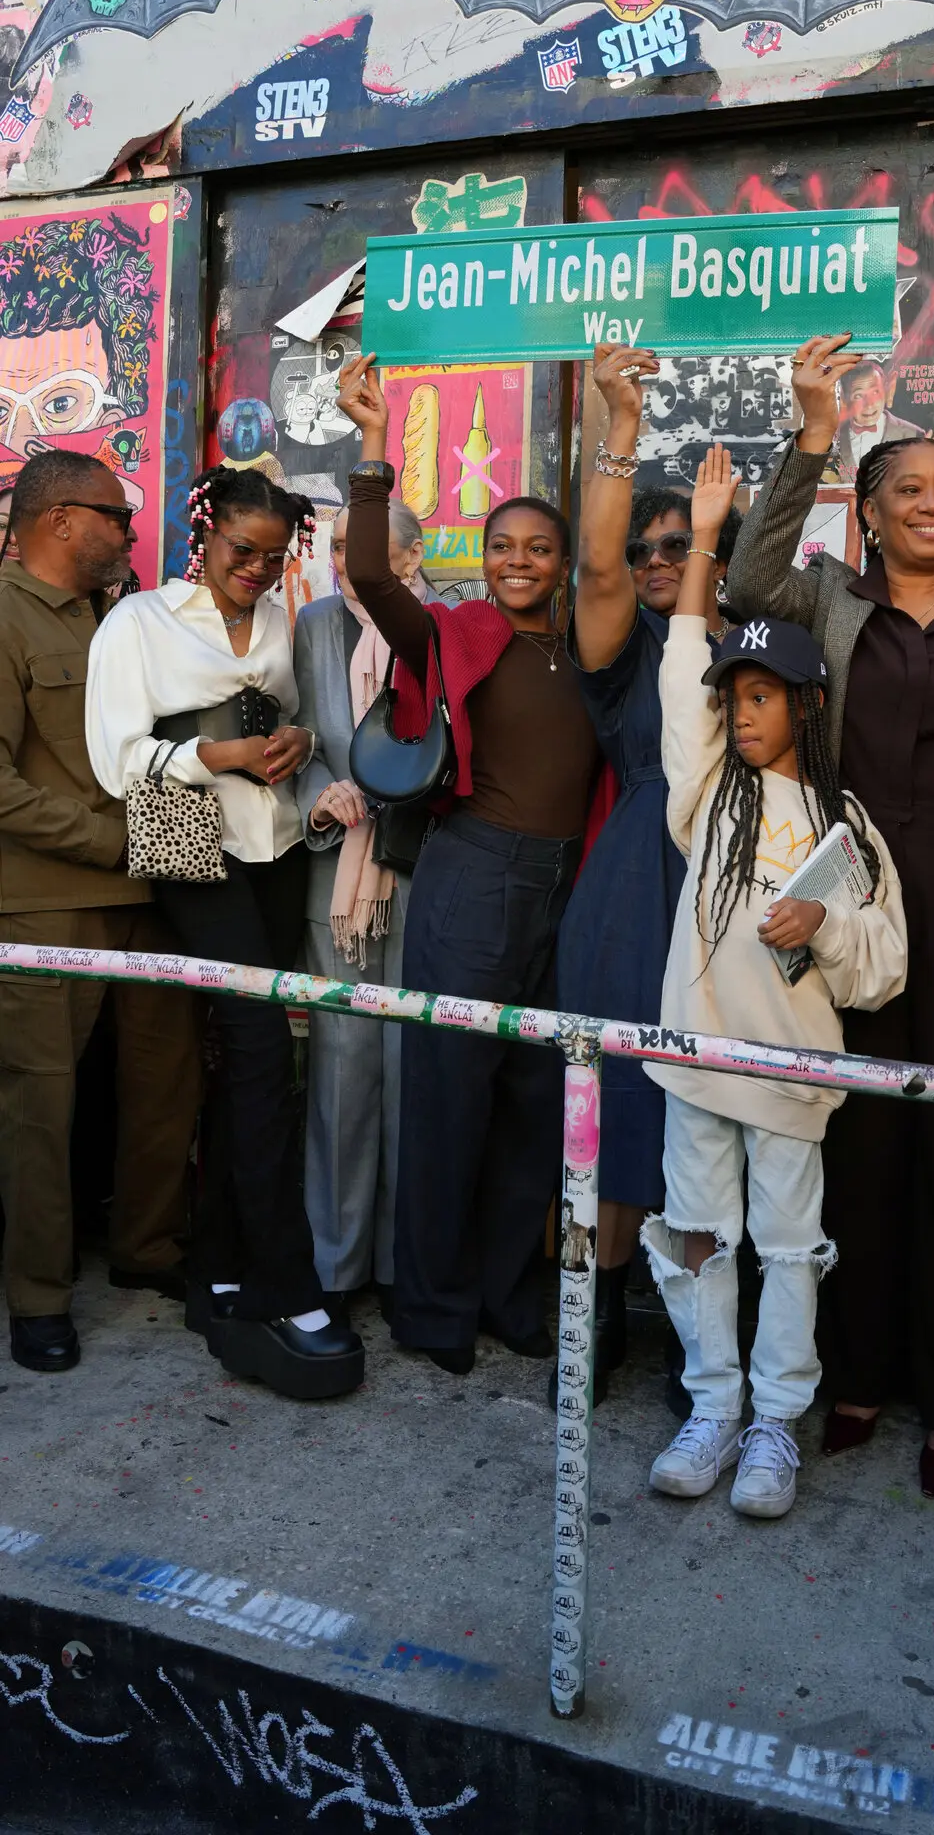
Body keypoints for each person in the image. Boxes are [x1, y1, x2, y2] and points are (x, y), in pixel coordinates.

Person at [725, 333, 934, 1495]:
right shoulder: (827, 600)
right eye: (908, 489)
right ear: (866, 512)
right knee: (858, 1147)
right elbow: (743, 584)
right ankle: (857, 1371)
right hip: (848, 915)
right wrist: (813, 435)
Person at [643, 447, 907, 1519]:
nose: (740, 712)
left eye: (761, 695)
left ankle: (773, 1425)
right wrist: (703, 539)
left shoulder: (845, 828)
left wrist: (827, 921)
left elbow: (884, 969)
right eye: (733, 695)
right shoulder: (704, 794)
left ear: (804, 701)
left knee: (790, 1249)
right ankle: (710, 1405)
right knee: (698, 1238)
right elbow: (678, 673)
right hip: (697, 1062)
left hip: (795, 1078)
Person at [335, 353, 601, 1376]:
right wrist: (372, 447)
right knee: (450, 1096)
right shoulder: (451, 630)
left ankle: (505, 1294)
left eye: (539, 547)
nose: (519, 559)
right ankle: (432, 1308)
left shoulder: (587, 646)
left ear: (566, 561)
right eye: (502, 545)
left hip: (563, 887)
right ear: (482, 558)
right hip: (475, 877)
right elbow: (366, 572)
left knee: (537, 1104)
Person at [86, 462, 364, 1401]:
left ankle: (223, 1268)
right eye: (241, 549)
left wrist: (292, 745)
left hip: (276, 843)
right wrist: (218, 753)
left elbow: (294, 730)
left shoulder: (286, 622)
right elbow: (118, 757)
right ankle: (286, 1284)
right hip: (188, 843)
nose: (254, 568)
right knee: (254, 1053)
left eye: (273, 556)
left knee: (257, 1056)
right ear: (203, 534)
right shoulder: (140, 623)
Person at [556, 344, 739, 1389]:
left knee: (706, 1107)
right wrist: (619, 431)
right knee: (619, 1100)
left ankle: (696, 1330)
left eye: (682, 542)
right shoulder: (619, 647)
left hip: (726, 888)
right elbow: (594, 567)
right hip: (631, 888)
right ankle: (602, 1317)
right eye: (650, 546)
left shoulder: (752, 640)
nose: (661, 557)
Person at [0, 449, 199, 1374]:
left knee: (166, 1086)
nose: (129, 532)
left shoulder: (121, 620)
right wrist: (115, 843)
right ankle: (39, 1298)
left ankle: (146, 1251)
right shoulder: (4, 615)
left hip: (154, 890)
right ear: (57, 520)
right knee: (41, 1106)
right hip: (48, 905)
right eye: (115, 517)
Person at [293, 499, 428, 1310]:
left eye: (365, 547)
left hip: (419, 867)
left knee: (412, 1062)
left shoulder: (440, 625)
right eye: (339, 546)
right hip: (337, 875)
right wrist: (321, 792)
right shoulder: (312, 624)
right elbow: (298, 734)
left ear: (408, 560)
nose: (347, 560)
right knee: (341, 1072)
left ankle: (398, 1260)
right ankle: (335, 1266)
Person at [833, 360, 924, 478]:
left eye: (875, 392)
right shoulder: (833, 437)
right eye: (858, 395)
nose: (869, 404)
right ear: (845, 398)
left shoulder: (914, 434)